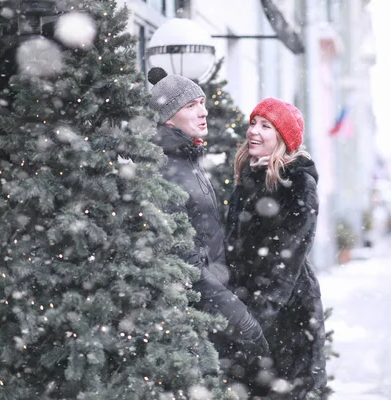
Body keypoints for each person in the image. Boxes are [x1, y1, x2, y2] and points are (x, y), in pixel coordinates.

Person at [147, 67, 268, 371]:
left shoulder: (188, 160)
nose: (203, 112)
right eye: (191, 106)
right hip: (188, 321)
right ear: (167, 117)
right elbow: (185, 262)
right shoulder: (165, 168)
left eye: (202, 103)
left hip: (210, 310)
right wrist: (240, 317)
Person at [225, 98, 327, 398]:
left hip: (287, 317)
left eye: (265, 126)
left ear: (282, 138)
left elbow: (288, 260)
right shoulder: (248, 178)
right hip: (249, 308)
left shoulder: (296, 183)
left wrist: (256, 318)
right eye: (253, 123)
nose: (254, 131)